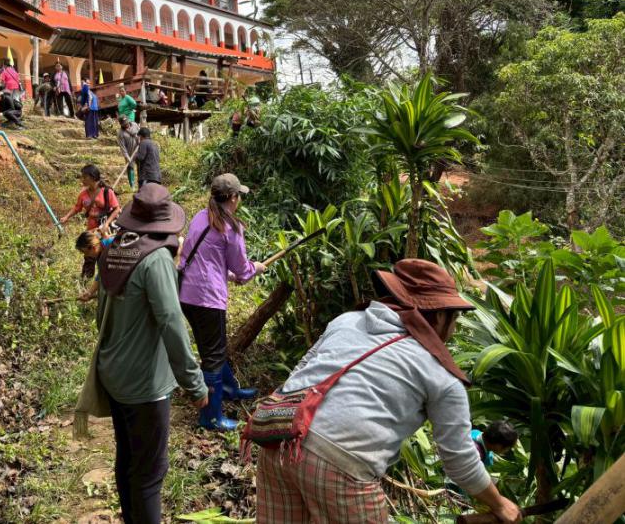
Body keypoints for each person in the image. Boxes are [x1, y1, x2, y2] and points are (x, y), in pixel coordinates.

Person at [255, 259, 522, 524]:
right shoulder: (441, 376)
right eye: (454, 319)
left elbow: (302, 367)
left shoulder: (346, 321)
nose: (453, 329)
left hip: (279, 438)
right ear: (440, 316)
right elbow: (459, 460)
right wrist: (500, 505)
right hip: (340, 462)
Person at [75, 184, 208, 524]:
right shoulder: (155, 259)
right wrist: (194, 383)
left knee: (128, 459)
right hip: (145, 385)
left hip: (114, 374)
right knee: (150, 472)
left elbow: (103, 315)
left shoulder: (114, 248)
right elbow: (171, 321)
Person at [179, 173, 265, 430]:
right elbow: (242, 269)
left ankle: (228, 389)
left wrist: (230, 274)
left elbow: (204, 257)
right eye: (239, 196)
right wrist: (256, 268)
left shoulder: (200, 216)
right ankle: (211, 417)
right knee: (213, 355)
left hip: (186, 294)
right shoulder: (232, 227)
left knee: (214, 347)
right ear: (234, 198)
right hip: (207, 299)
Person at [59, 164, 121, 278]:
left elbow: (117, 209)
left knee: (105, 255)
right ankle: (86, 278)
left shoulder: (107, 192)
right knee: (89, 255)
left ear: (92, 177)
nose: (82, 180)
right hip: (92, 230)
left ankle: (105, 278)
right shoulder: (83, 194)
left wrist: (107, 224)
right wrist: (66, 217)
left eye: (84, 177)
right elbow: (77, 208)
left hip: (105, 230)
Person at [75, 229, 115, 303]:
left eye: (86, 252)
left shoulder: (112, 245)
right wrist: (89, 293)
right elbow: (101, 274)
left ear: (93, 248)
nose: (86, 255)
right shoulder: (101, 253)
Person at [117, 115, 140, 190]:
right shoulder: (120, 133)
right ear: (121, 124)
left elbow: (140, 134)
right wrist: (127, 157)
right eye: (124, 124)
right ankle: (132, 186)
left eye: (127, 123)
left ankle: (141, 184)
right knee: (130, 168)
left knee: (140, 166)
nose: (126, 125)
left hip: (138, 149)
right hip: (129, 153)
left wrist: (140, 140)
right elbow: (122, 147)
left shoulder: (135, 125)